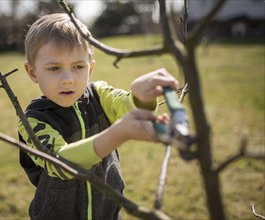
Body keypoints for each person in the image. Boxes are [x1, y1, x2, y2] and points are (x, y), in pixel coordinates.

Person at [18, 13, 179, 220]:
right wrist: (117, 133)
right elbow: (61, 163)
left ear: (90, 68)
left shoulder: (99, 95)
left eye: (78, 67)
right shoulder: (33, 120)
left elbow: (129, 109)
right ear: (32, 73)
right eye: (54, 68)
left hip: (108, 212)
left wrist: (141, 97)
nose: (68, 79)